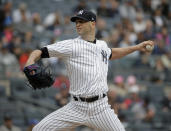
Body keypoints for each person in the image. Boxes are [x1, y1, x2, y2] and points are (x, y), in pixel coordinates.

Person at [25, 10, 154, 131]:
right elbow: (39, 51)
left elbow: (112, 53)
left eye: (81, 21)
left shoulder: (102, 45)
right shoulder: (71, 45)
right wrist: (30, 62)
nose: (78, 24)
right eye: (76, 22)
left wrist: (136, 48)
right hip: (76, 107)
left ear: (92, 24)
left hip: (100, 108)